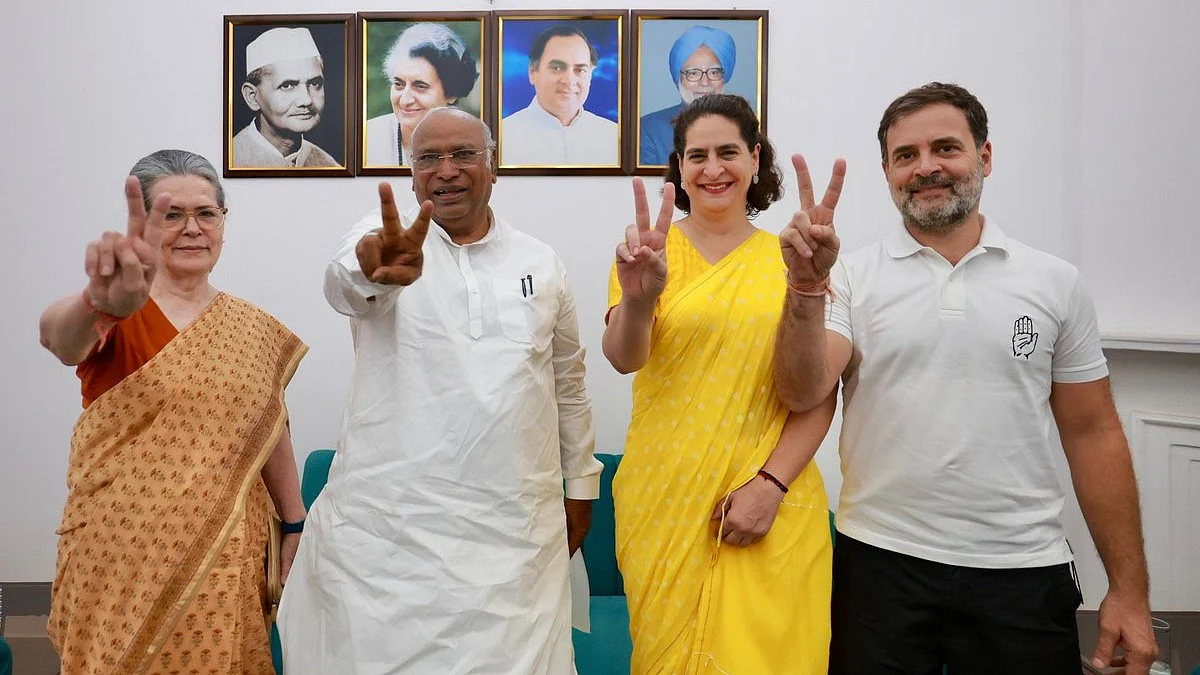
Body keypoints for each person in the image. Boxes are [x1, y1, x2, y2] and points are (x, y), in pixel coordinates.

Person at [773, 81, 1159, 674]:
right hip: (880, 567)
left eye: (945, 148)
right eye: (906, 156)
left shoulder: (1054, 282)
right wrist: (804, 287)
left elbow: (1093, 433)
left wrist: (1129, 590)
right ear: (886, 172)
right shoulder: (849, 277)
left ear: (984, 156)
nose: (926, 168)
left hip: (1023, 571)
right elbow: (802, 390)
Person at [278, 107, 601, 673]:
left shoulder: (540, 262)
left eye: (462, 154)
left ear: (492, 167)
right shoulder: (386, 238)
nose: (445, 169)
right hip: (389, 536)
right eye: (428, 157)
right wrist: (373, 270)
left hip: (513, 533)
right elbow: (344, 284)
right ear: (411, 173)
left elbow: (567, 383)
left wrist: (582, 483)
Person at [39, 149, 308, 674]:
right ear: (142, 223)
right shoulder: (116, 309)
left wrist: (295, 522)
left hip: (224, 552)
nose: (192, 228)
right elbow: (57, 337)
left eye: (206, 213)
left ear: (223, 224)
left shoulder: (253, 329)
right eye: (172, 214)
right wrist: (96, 303)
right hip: (120, 554)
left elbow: (270, 429)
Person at [603, 94, 844, 673]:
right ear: (679, 170)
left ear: (755, 159)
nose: (713, 169)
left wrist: (770, 486)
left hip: (774, 499)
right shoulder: (649, 253)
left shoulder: (796, 257)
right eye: (697, 156)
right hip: (665, 502)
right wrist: (638, 301)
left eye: (728, 152)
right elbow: (623, 358)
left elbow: (819, 393)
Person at [364, 22, 479, 167]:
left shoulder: (475, 144)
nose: (405, 101)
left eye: (420, 86)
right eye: (398, 84)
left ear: (451, 94)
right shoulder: (366, 139)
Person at [501, 24, 618, 166]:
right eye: (557, 68)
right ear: (532, 72)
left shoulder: (613, 137)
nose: (569, 80)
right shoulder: (503, 136)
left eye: (580, 70)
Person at [233, 27, 340, 168]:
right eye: (288, 85)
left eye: (315, 83)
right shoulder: (229, 159)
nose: (306, 100)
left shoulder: (329, 165)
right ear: (252, 96)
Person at [639, 24, 735, 166]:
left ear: (724, 77)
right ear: (679, 79)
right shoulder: (649, 129)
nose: (704, 82)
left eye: (714, 72)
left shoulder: (742, 125)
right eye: (693, 73)